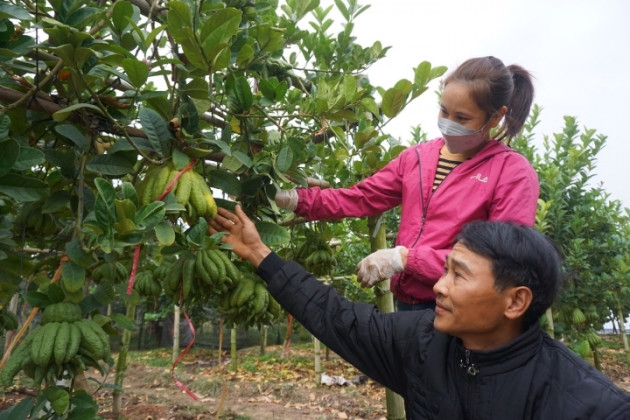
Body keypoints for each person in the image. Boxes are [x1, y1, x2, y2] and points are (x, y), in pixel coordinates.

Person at [210, 205, 630, 419]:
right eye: (444, 270)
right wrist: (259, 253)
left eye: (458, 276)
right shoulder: (422, 340)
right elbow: (334, 316)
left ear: (515, 302)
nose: (438, 286)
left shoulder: (590, 406)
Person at [275, 56, 539, 310]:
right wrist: (295, 198)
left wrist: (404, 259)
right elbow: (361, 197)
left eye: (462, 118)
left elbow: (499, 260)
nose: (447, 124)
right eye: (444, 111)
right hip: (407, 306)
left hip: (461, 312)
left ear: (495, 117)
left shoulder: (511, 172)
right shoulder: (417, 158)